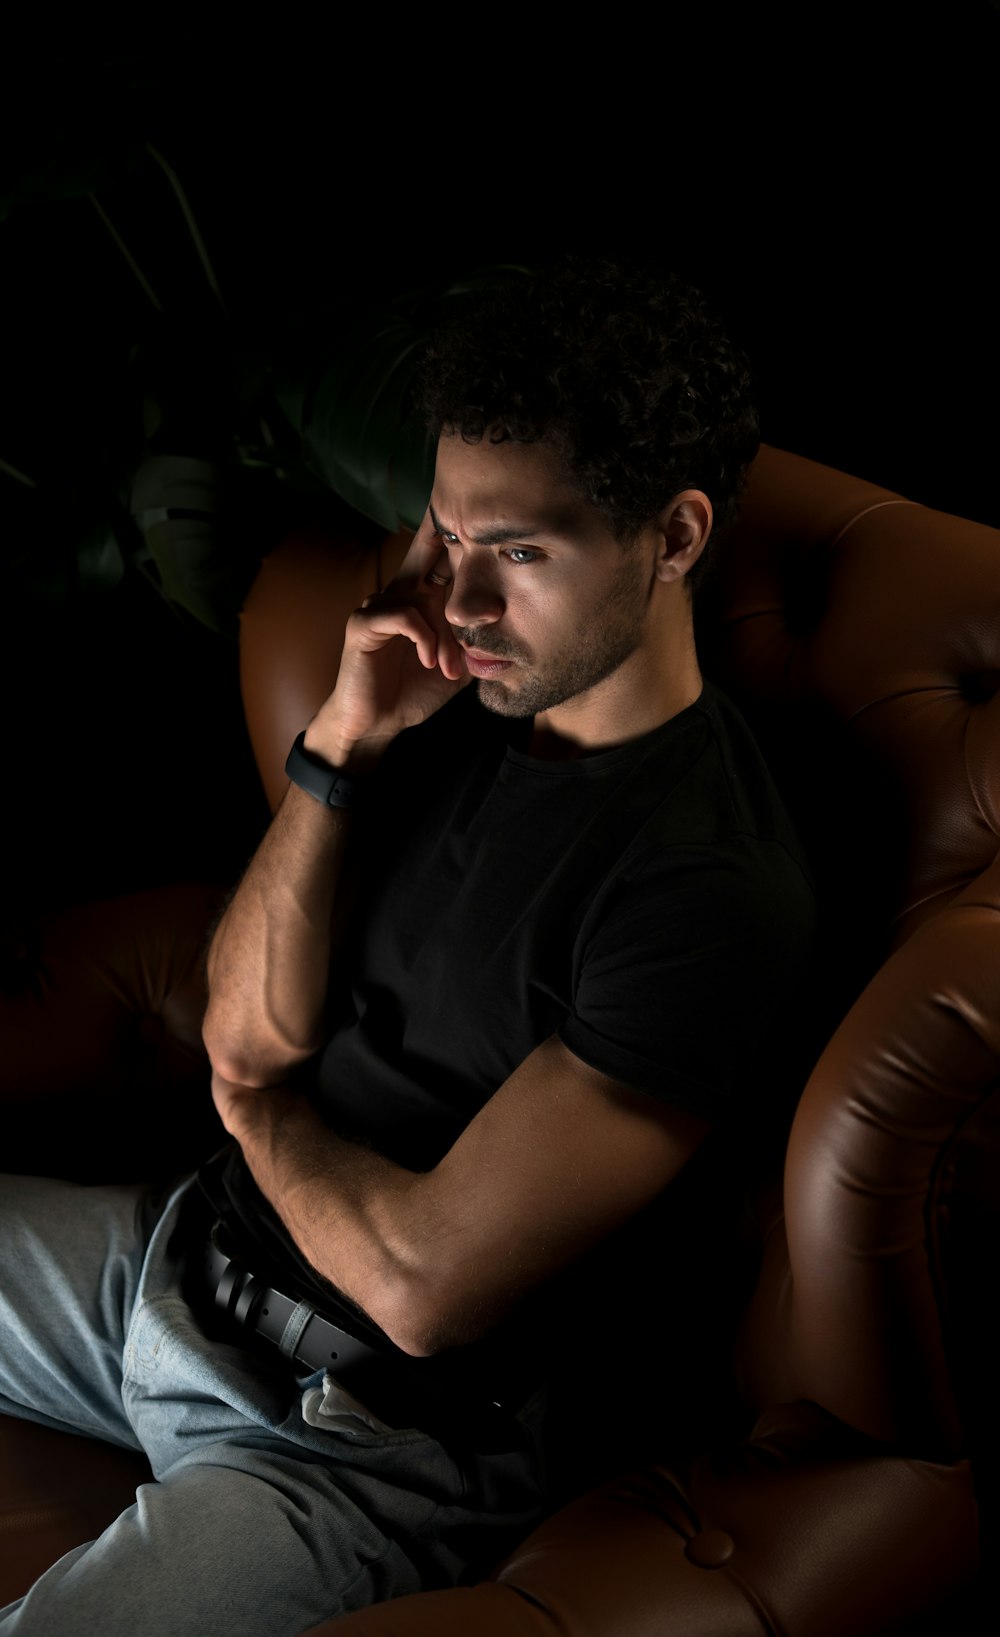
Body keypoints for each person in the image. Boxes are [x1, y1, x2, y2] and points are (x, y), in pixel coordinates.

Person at [0, 258, 816, 1634]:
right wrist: (337, 746)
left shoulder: (708, 889)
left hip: (361, 1442)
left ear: (674, 539)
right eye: (442, 532)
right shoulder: (443, 694)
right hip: (174, 1263)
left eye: (519, 553)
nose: (456, 593)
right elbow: (245, 1032)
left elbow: (420, 1283)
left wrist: (253, 1110)